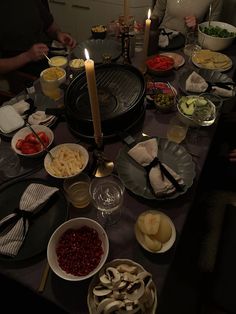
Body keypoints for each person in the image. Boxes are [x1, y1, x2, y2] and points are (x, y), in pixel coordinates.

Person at [0, 0, 76, 77]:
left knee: (76, 68)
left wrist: (58, 34)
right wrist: (27, 56)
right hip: (20, 67)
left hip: (46, 55)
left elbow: (49, 25)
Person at [151, 0, 223, 35]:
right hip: (162, 38)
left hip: (189, 44)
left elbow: (212, 29)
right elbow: (158, 11)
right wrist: (148, 25)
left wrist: (198, 27)